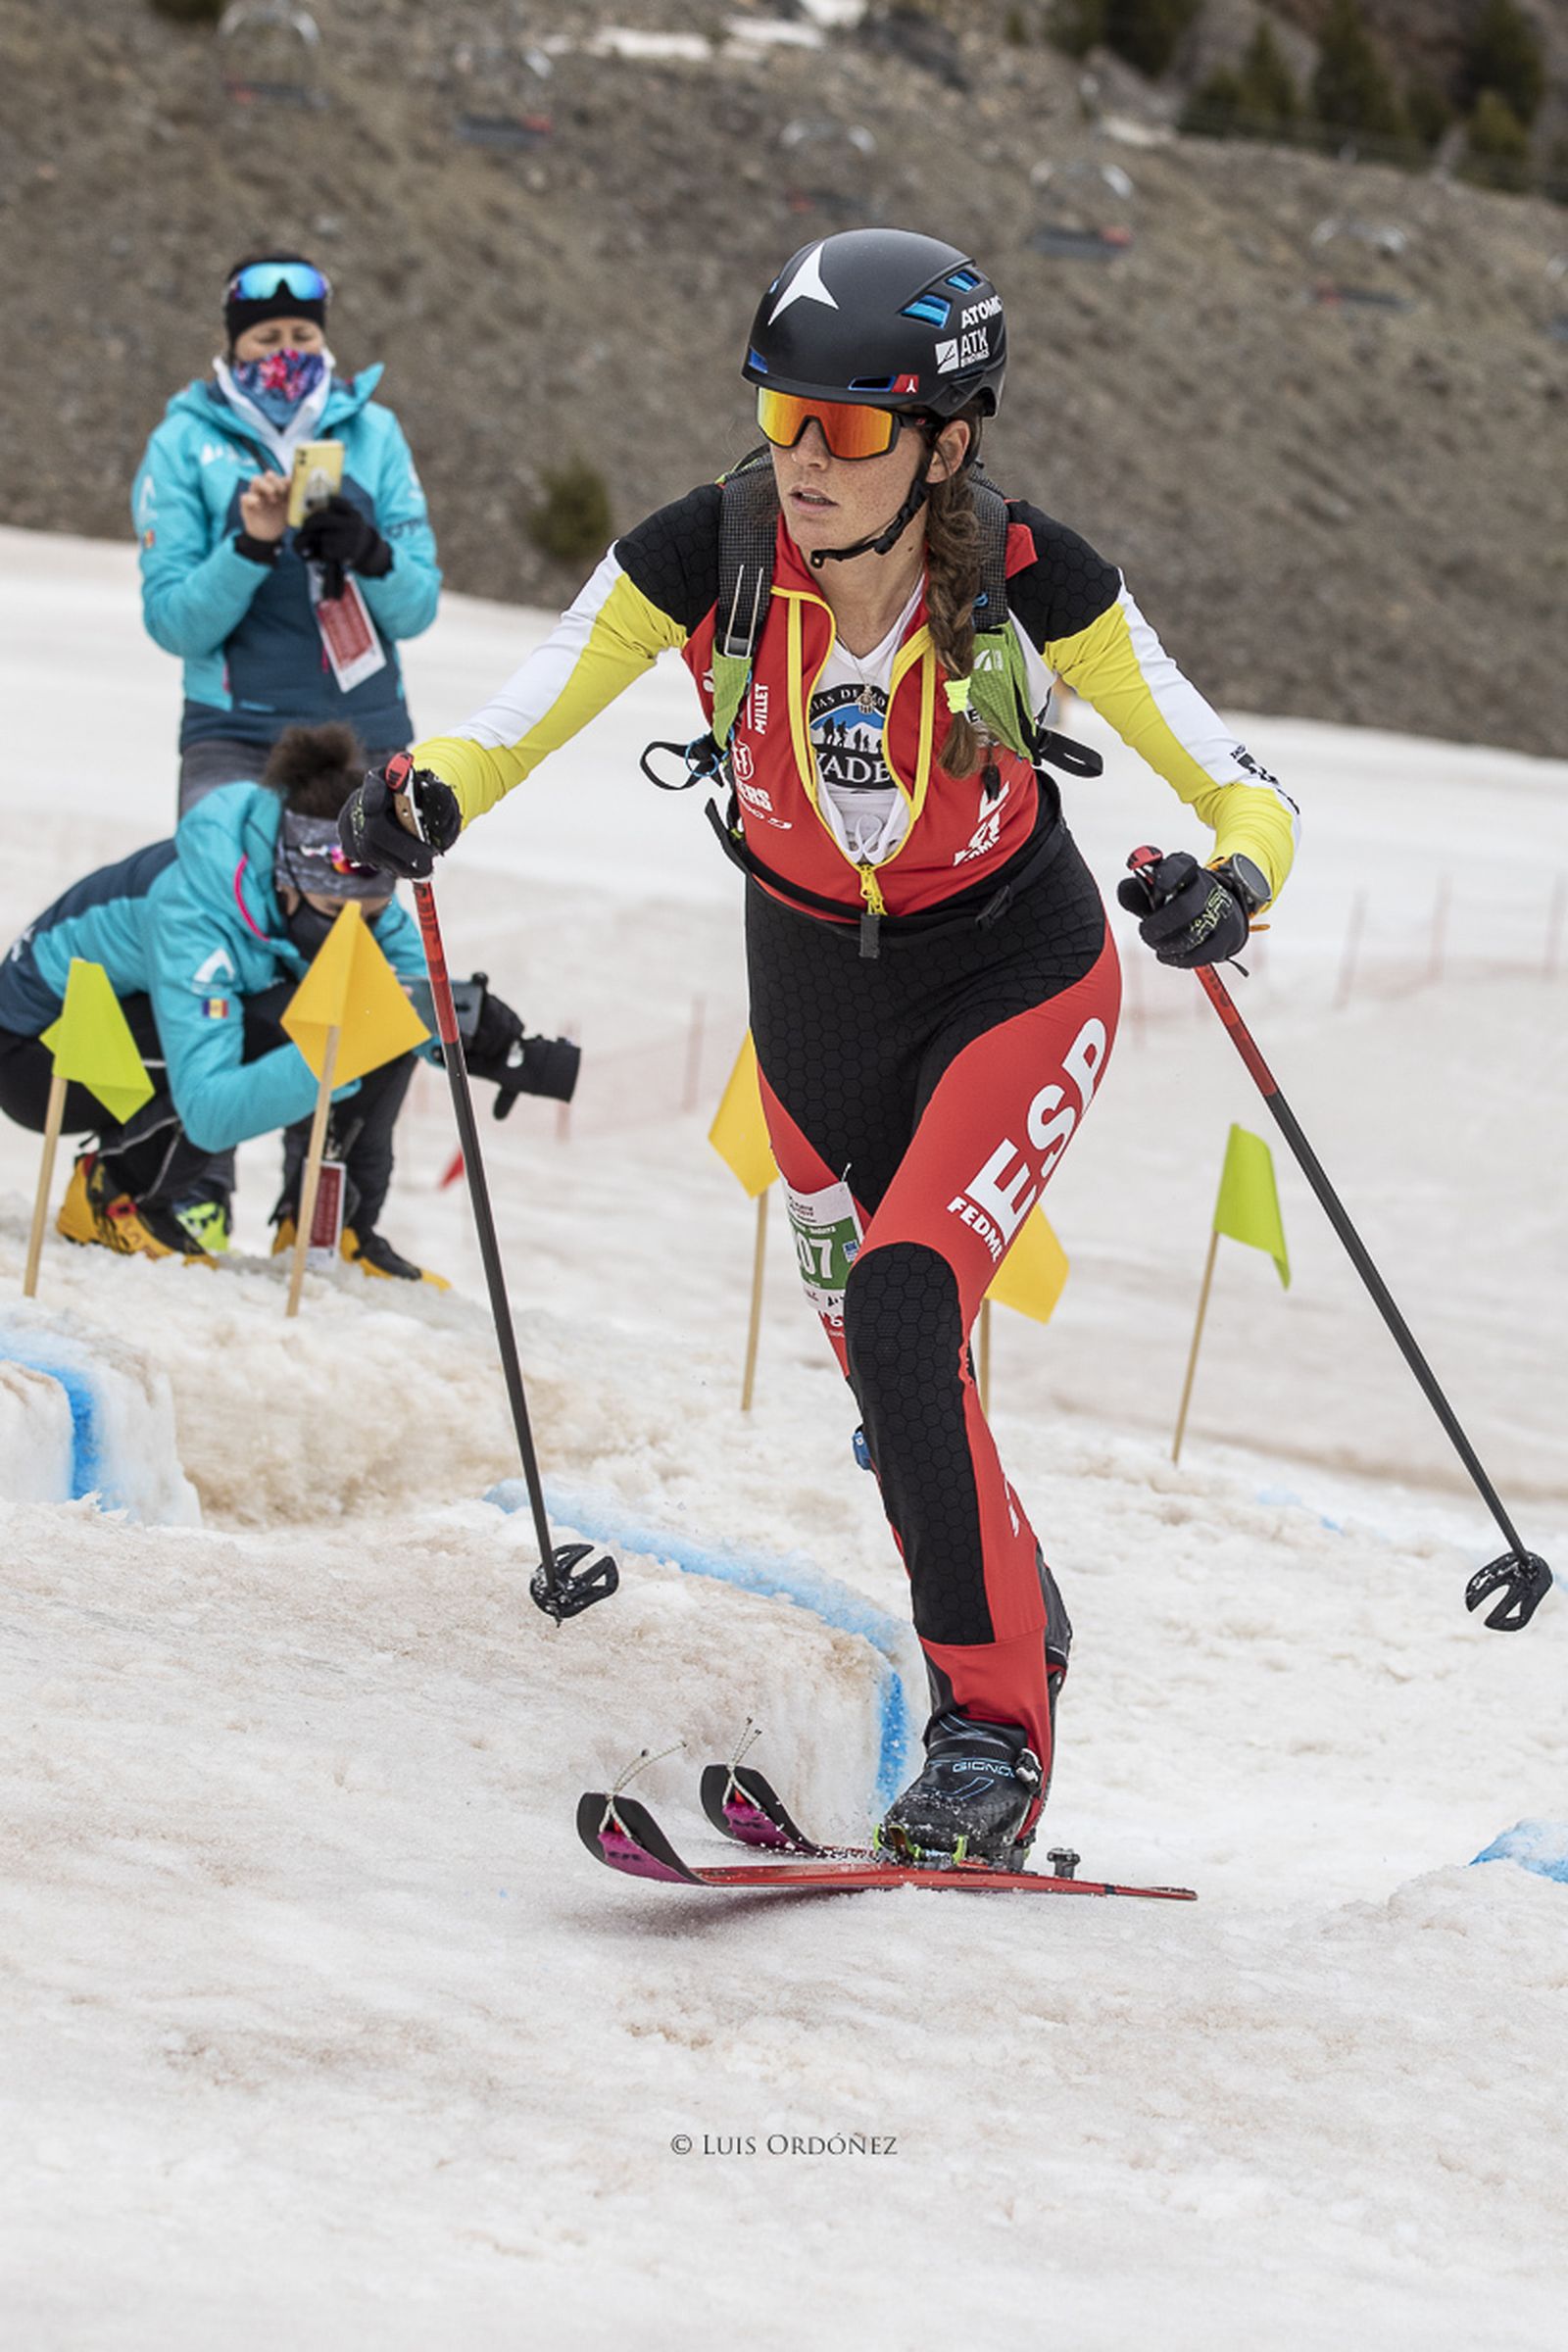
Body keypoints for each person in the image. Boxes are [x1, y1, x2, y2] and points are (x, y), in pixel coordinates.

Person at [337, 229, 1299, 1866]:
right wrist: (427, 790)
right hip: (810, 1007)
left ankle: (991, 1732)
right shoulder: (701, 557)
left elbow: (1244, 788)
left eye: (849, 428)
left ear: (947, 441)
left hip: (1015, 976)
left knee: (916, 1302)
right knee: (888, 1369)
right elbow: (514, 721)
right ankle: (1015, 1603)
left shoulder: (1025, 578)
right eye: (783, 414)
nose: (802, 457)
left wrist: (1233, 887)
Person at [0, 725, 577, 1278]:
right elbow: (208, 1106)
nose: (352, 931)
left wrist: (493, 1039)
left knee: (381, 1011)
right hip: (40, 1056)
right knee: (307, 1025)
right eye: (332, 914)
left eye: (370, 917)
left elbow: (410, 997)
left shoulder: (339, 888)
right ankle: (113, 1196)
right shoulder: (193, 906)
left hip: (120, 1027)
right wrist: (347, 1044)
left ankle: (328, 1225)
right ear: (285, 879)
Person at [131, 254, 441, 816]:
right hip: (235, 735)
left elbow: (416, 610)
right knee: (226, 900)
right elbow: (174, 626)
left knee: (355, 905)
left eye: (303, 334)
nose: (286, 352)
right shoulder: (180, 443)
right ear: (232, 343)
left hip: (365, 733)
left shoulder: (375, 433)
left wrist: (368, 551)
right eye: (265, 336)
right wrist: (250, 546)